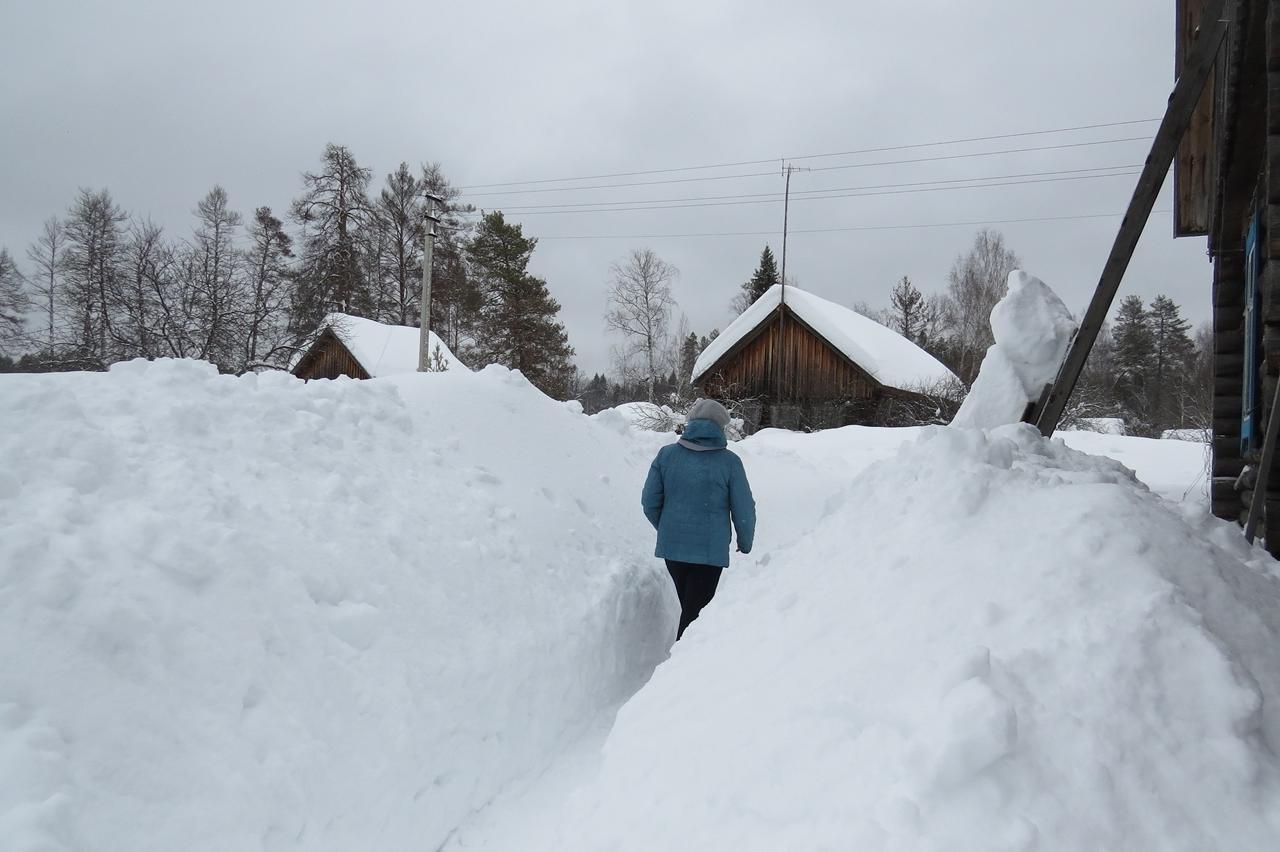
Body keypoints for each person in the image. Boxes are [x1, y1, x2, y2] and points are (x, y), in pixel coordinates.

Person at [641, 398, 756, 640]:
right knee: (695, 617)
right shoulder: (729, 462)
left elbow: (650, 502)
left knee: (690, 609)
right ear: (721, 426)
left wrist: (668, 530)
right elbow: (744, 510)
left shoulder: (667, 455)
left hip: (673, 551)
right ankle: (680, 670)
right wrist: (745, 543)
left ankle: (684, 665)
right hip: (709, 554)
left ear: (690, 422)